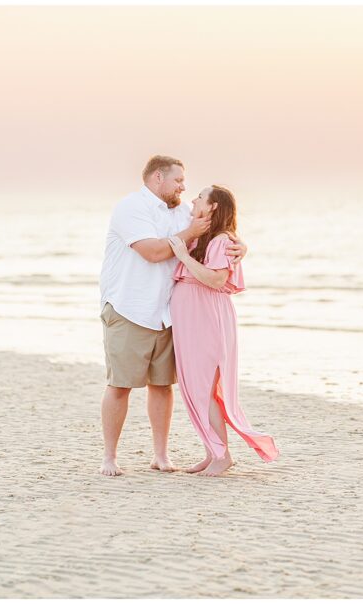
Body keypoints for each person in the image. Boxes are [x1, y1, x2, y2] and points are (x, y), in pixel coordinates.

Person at [98, 156, 247, 477]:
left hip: (168, 313)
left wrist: (240, 245)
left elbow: (215, 233)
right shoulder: (130, 208)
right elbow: (152, 252)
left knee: (162, 385)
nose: (184, 186)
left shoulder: (181, 211)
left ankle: (160, 455)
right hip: (130, 308)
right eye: (178, 180)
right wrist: (188, 232)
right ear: (157, 178)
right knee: (120, 385)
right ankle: (109, 457)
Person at [167, 185, 278, 476]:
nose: (193, 199)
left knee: (205, 388)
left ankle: (221, 455)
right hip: (194, 317)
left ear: (214, 207)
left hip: (207, 317)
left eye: (200, 197)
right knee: (198, 387)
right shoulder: (204, 235)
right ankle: (212, 451)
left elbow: (216, 280)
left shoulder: (220, 241)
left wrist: (184, 257)